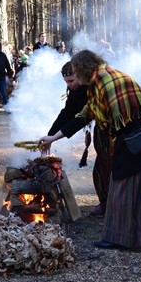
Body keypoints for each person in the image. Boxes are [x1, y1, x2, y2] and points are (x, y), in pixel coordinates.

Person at [39, 50, 141, 250]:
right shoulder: (100, 79)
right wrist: (53, 137)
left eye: (76, 73)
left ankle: (122, 237)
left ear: (84, 69)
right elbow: (85, 114)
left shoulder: (106, 81)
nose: (75, 78)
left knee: (123, 184)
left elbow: (119, 119)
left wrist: (116, 151)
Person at [45, 62, 109, 216]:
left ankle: (112, 204)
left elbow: (83, 118)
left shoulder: (94, 86)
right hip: (101, 127)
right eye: (67, 82)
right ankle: (106, 202)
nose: (70, 85)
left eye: (71, 81)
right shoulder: (74, 91)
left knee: (108, 167)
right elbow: (68, 112)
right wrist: (51, 136)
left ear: (80, 75)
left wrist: (55, 137)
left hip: (112, 127)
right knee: (101, 168)